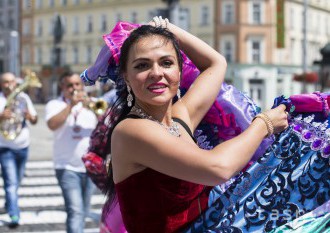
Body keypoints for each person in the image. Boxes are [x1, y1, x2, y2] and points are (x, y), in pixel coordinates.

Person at [92, 17, 289, 233]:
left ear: (179, 71)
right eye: (142, 65)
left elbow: (216, 63)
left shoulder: (180, 117)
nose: (157, 73)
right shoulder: (131, 130)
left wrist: (167, 28)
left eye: (166, 63)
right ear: (126, 77)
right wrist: (264, 124)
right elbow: (218, 168)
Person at [45, 71, 98, 233]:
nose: (74, 88)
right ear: (62, 87)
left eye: (77, 84)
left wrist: (94, 108)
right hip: (66, 166)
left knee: (83, 210)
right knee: (75, 210)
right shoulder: (55, 104)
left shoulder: (93, 103)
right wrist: (71, 105)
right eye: (69, 85)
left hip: (90, 167)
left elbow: (107, 124)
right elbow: (52, 125)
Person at [0, 72, 38, 228]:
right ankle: (14, 213)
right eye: (6, 82)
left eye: (12, 82)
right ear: (1, 84)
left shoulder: (23, 98)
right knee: (11, 182)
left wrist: (30, 117)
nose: (9, 85)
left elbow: (35, 120)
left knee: (17, 181)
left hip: (22, 146)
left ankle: (9, 202)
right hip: (5, 147)